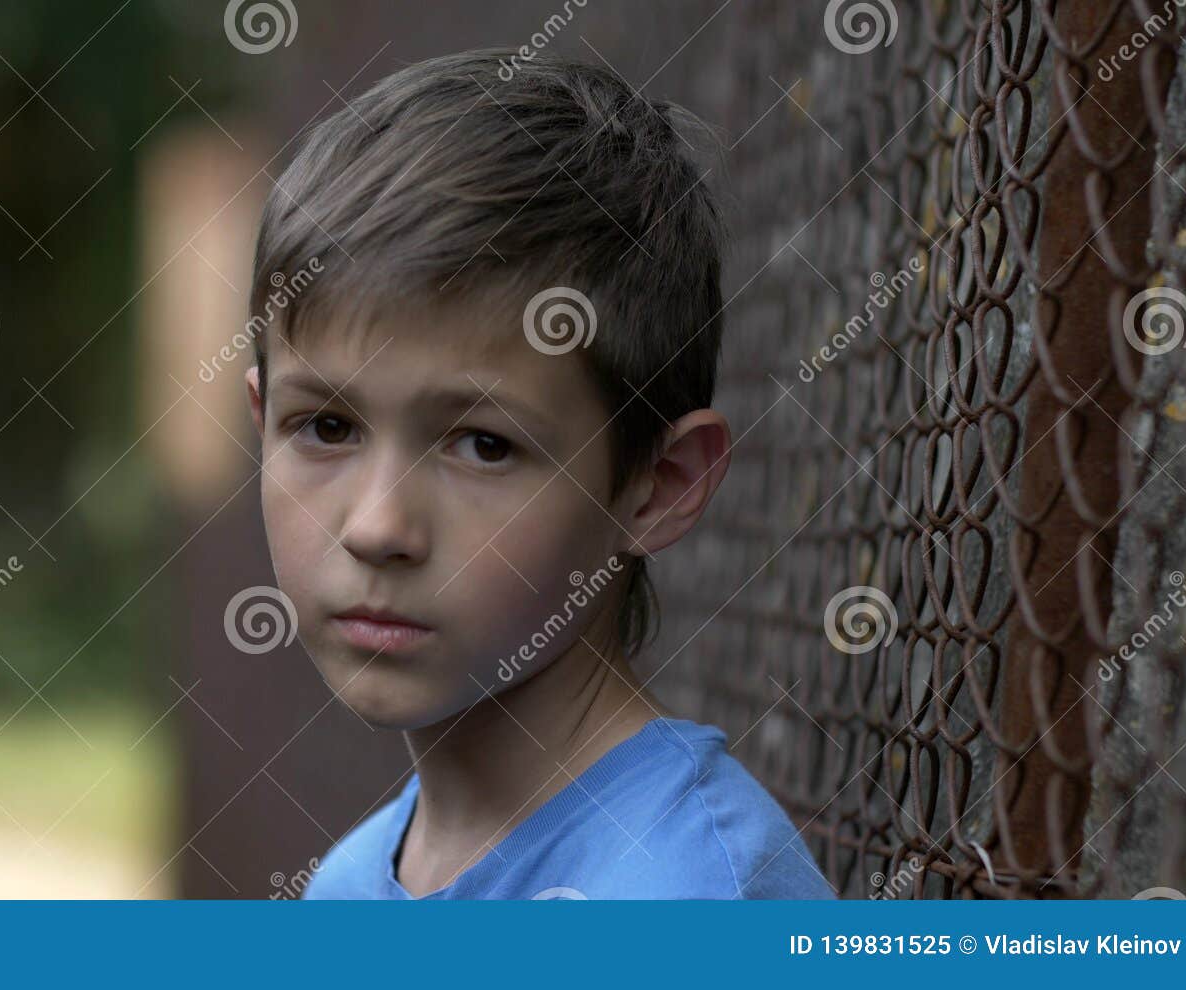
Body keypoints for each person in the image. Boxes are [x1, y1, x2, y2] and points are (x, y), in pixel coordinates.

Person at [241, 48, 832, 900]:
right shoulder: (347, 885)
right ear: (261, 421)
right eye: (327, 427)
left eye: (483, 445)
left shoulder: (689, 895)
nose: (376, 528)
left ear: (659, 485)